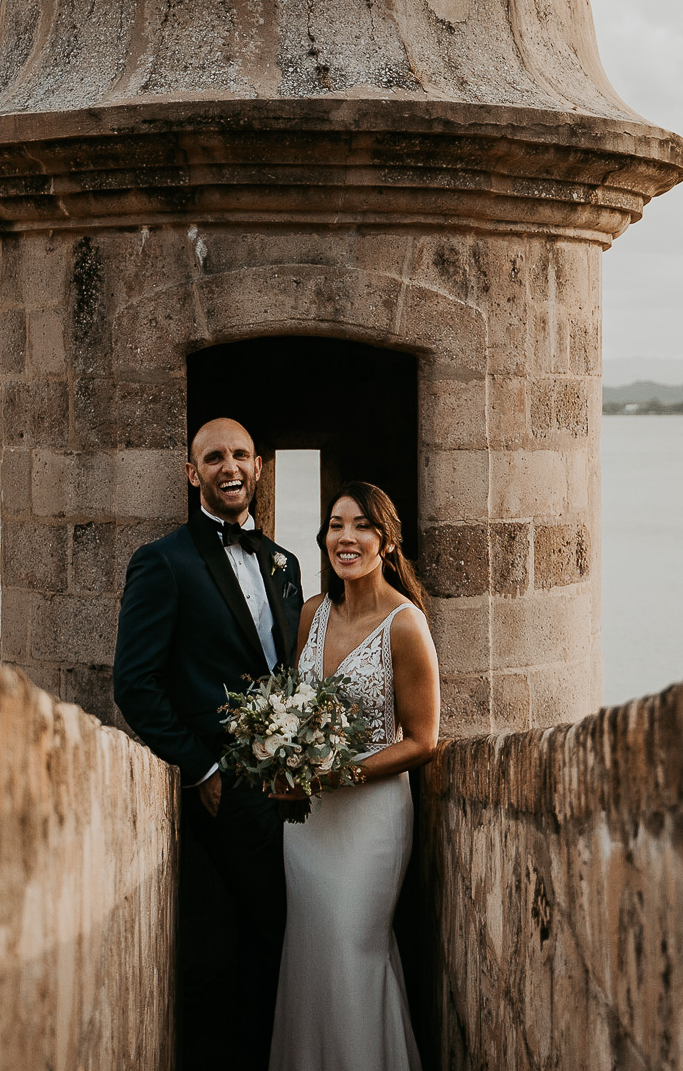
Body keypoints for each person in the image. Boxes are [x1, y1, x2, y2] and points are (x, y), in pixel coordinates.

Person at [112, 417, 304, 1071]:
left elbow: (287, 673)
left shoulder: (285, 564)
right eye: (214, 457)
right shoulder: (163, 561)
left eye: (242, 455)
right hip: (224, 796)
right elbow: (134, 684)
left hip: (289, 794)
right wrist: (203, 768)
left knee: (282, 943)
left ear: (258, 467)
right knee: (247, 945)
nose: (231, 467)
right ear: (192, 472)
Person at [268, 481, 440, 1071]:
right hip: (308, 821)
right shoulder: (312, 613)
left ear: (385, 540)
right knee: (312, 951)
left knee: (352, 949)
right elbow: (296, 706)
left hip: (371, 820)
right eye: (336, 524)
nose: (346, 536)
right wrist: (279, 756)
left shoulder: (406, 624)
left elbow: (422, 741)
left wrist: (335, 775)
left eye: (361, 525)